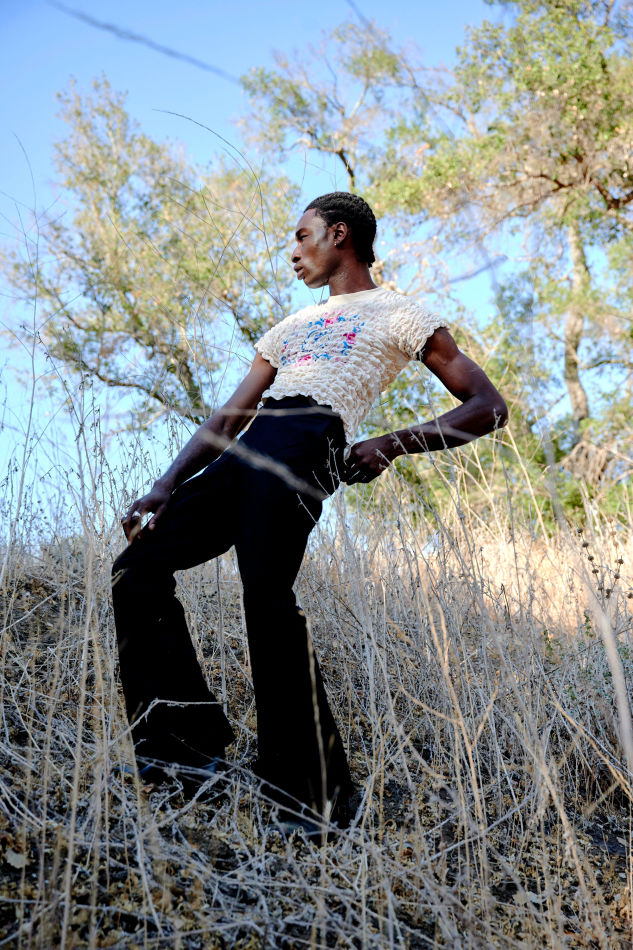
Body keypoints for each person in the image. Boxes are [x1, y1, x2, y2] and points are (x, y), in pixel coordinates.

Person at [112, 192, 507, 828]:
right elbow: (229, 417)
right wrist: (165, 484)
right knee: (135, 569)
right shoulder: (290, 327)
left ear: (339, 235)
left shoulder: (402, 314)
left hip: (308, 444)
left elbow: (487, 407)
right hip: (247, 449)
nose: (293, 252)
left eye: (302, 236)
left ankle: (311, 797)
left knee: (265, 598)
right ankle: (184, 752)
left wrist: (392, 443)